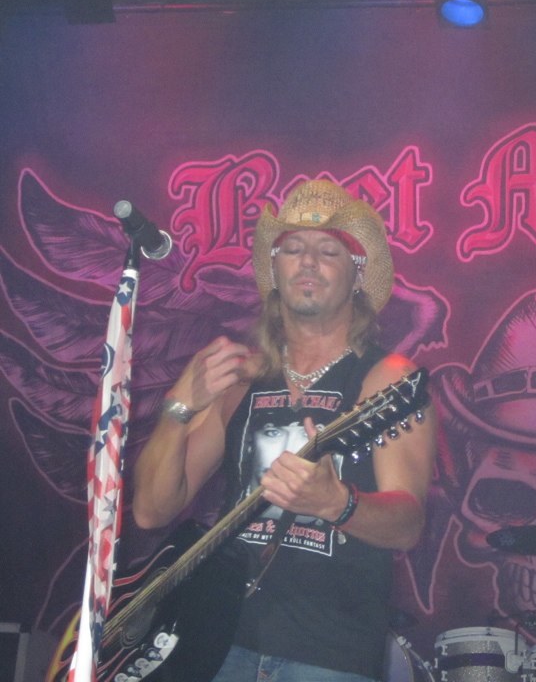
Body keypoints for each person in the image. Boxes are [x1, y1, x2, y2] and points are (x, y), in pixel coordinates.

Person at [132, 178, 438, 682]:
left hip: (329, 652)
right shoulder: (240, 380)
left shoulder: (388, 380)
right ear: (274, 272)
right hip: (217, 643)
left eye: (329, 251)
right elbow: (151, 510)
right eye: (292, 249)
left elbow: (408, 524)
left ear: (357, 276)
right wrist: (176, 410)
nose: (308, 262)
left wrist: (337, 503)